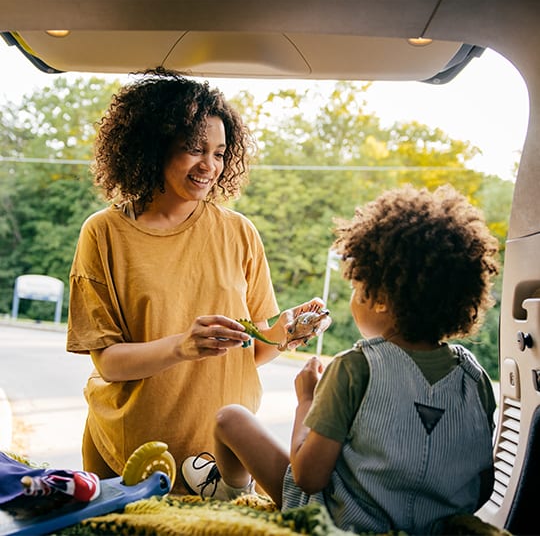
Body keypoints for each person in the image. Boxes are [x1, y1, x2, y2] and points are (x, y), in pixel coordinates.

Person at [66, 68, 330, 492]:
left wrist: (287, 330)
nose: (209, 165)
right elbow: (109, 362)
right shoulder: (103, 233)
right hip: (130, 452)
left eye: (221, 153)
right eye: (194, 149)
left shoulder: (239, 231)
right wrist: (183, 346)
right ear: (154, 147)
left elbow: (251, 351)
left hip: (222, 457)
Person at [181, 184, 500, 534]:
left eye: (356, 286)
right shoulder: (474, 376)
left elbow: (308, 477)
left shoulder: (356, 367)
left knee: (230, 418)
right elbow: (482, 487)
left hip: (338, 525)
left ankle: (235, 496)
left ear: (378, 297)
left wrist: (307, 400)